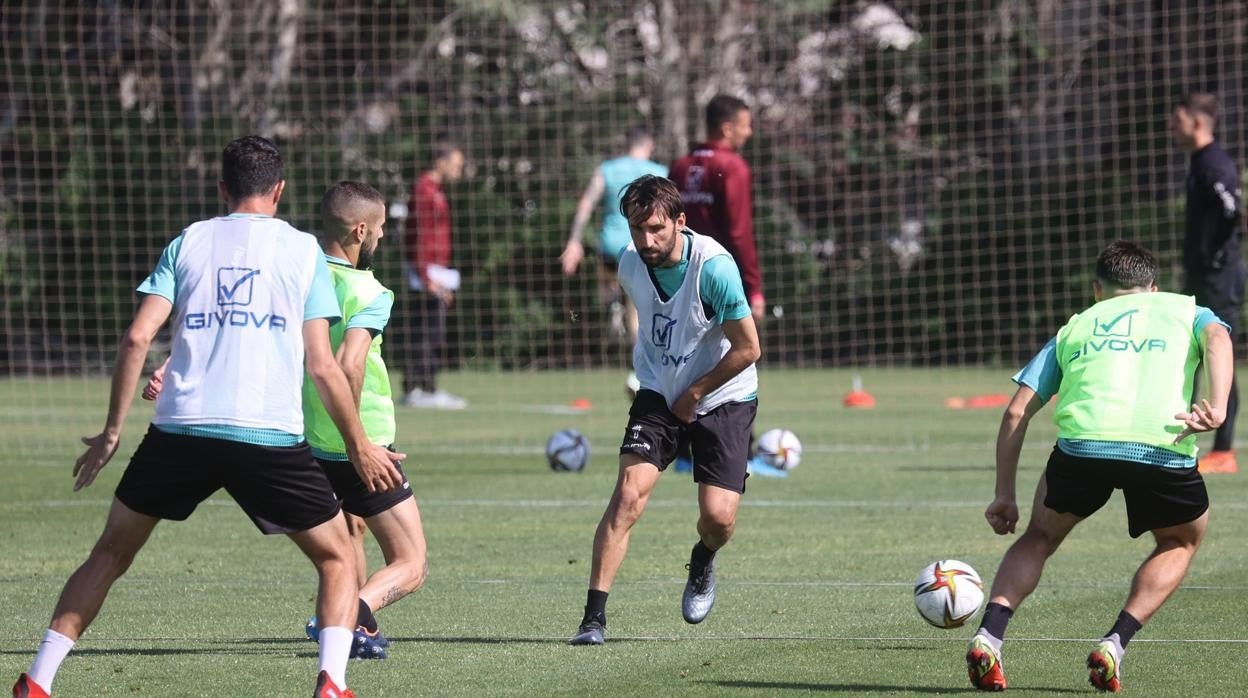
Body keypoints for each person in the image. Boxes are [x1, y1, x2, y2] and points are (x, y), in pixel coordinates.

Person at [11, 136, 404, 698]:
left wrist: (112, 432)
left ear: (223, 189)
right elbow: (322, 366)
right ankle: (331, 685)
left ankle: (38, 680)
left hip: (180, 429)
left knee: (110, 552)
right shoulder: (301, 253)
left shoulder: (189, 240)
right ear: (279, 190)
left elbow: (137, 337)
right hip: (266, 434)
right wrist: (359, 444)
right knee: (340, 555)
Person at [143, 181, 428, 661]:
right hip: (362, 443)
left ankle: (353, 631)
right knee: (411, 562)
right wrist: (357, 442)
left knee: (350, 535)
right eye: (379, 229)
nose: (381, 237)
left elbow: (231, 320)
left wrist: (169, 366)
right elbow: (350, 364)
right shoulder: (371, 290)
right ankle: (347, 615)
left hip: (301, 438)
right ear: (361, 230)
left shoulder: (296, 276)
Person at [964, 241, 1230, 693]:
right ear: (1154, 287)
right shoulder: (1187, 310)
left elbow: (1015, 413)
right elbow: (1219, 337)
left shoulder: (1077, 325)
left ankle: (988, 636)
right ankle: (1114, 644)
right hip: (1160, 447)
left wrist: (1004, 494)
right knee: (1180, 540)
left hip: (1082, 447)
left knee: (1039, 536)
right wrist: (1218, 409)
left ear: (1096, 291)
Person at [569, 175, 760, 646]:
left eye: (656, 228)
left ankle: (702, 560)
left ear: (680, 220)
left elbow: (749, 347)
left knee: (719, 519)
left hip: (723, 395)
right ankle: (593, 620)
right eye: (637, 229)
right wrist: (665, 384)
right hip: (658, 392)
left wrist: (694, 392)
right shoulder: (630, 263)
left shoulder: (713, 268)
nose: (646, 240)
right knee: (629, 495)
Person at [1172, 92, 1245, 474]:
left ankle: (1223, 451)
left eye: (1177, 119)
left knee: (1218, 352)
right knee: (1195, 354)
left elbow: (1231, 208)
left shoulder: (1214, 164)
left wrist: (1216, 255)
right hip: (1205, 274)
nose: (1173, 127)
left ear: (1196, 121)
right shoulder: (1200, 162)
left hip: (1220, 276)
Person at [560, 126, 669, 345]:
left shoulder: (607, 169)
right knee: (637, 308)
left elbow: (586, 205)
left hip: (609, 247)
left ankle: (612, 300)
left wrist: (574, 241)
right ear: (649, 145)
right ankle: (638, 358)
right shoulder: (659, 172)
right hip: (641, 246)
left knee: (612, 280)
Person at [669, 94, 765, 325]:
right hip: (720, 273)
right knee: (736, 351)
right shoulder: (733, 166)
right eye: (745, 126)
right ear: (727, 129)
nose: (749, 132)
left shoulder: (680, 166)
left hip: (679, 274)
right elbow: (739, 233)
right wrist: (754, 288)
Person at [399, 142, 467, 410]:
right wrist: (427, 277)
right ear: (440, 160)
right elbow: (418, 237)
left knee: (432, 330)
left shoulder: (435, 191)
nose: (458, 170)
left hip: (434, 272)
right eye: (456, 163)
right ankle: (419, 388)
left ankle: (425, 387)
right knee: (425, 330)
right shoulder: (424, 191)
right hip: (426, 273)